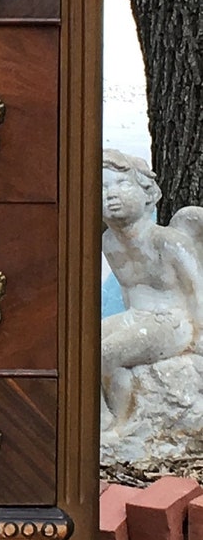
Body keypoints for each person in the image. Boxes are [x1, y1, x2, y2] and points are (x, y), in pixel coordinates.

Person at [101, 150, 203, 429]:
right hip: (137, 317)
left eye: (122, 185)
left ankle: (111, 423)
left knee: (104, 353)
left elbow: (197, 294)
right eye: (102, 187)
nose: (111, 195)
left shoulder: (169, 242)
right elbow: (128, 293)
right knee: (82, 346)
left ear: (148, 193)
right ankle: (108, 420)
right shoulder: (109, 242)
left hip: (174, 324)